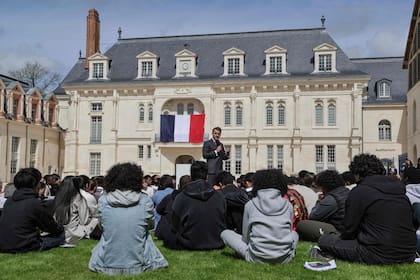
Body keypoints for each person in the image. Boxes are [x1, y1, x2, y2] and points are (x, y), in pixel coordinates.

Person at [316, 153, 417, 264]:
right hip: (408, 253)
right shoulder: (399, 190)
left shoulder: (360, 191)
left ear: (358, 174)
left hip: (377, 253)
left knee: (324, 240)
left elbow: (349, 230)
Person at [89, 162, 168, 275]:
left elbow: (102, 226)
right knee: (144, 234)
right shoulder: (145, 200)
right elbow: (150, 226)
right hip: (139, 264)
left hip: (106, 264)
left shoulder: (103, 200)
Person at [220, 169, 298, 264]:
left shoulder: (250, 204)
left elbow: (246, 238)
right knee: (294, 234)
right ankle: (290, 253)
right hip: (284, 258)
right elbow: (288, 232)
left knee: (225, 233)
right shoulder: (288, 205)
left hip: (255, 256)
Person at [0, 168, 64, 253]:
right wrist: (61, 228)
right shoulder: (34, 203)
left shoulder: (9, 201)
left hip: (4, 244)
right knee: (61, 235)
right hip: (25, 246)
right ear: (35, 184)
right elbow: (50, 226)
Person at [172, 161, 226, 250]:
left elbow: (175, 224)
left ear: (191, 176)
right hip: (216, 241)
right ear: (207, 176)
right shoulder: (219, 196)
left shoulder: (181, 197)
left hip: (189, 243)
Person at [297, 170, 349, 242]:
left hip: (338, 231)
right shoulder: (346, 191)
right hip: (345, 228)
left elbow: (313, 216)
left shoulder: (331, 199)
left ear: (324, 186)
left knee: (302, 225)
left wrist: (319, 202)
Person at [53, 176, 99, 246]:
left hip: (60, 230)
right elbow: (84, 221)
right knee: (96, 219)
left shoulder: (58, 197)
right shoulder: (78, 197)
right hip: (74, 232)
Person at [155, 175, 191, 247]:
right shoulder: (191, 200)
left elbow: (159, 210)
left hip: (163, 231)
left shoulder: (169, 197)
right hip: (179, 233)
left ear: (178, 185)